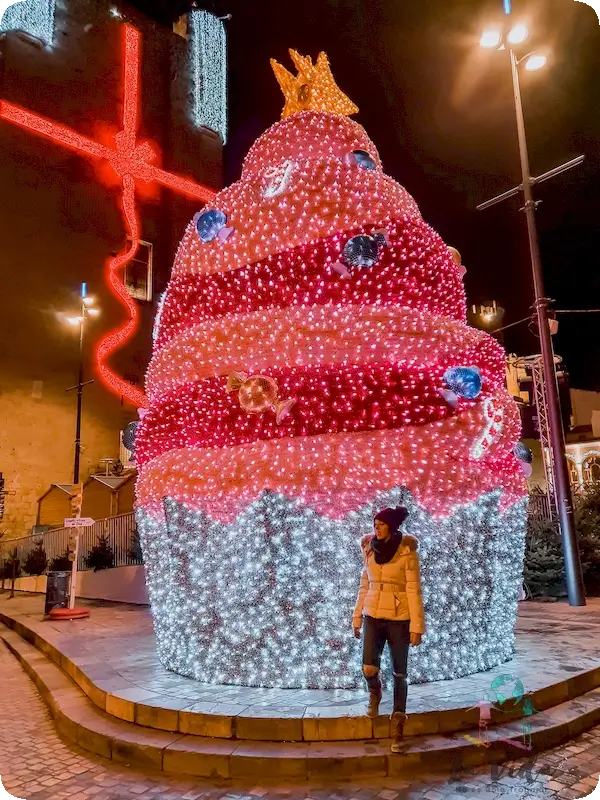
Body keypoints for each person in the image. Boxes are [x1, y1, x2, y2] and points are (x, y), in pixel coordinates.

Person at [352, 506, 425, 753]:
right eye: (375, 523)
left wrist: (417, 626)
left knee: (400, 674)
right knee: (368, 667)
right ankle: (375, 691)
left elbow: (414, 590)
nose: (376, 527)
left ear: (392, 527)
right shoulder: (369, 550)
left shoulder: (406, 552)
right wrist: (356, 617)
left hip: (399, 617)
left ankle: (398, 722)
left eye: (381, 523)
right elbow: (364, 585)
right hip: (373, 614)